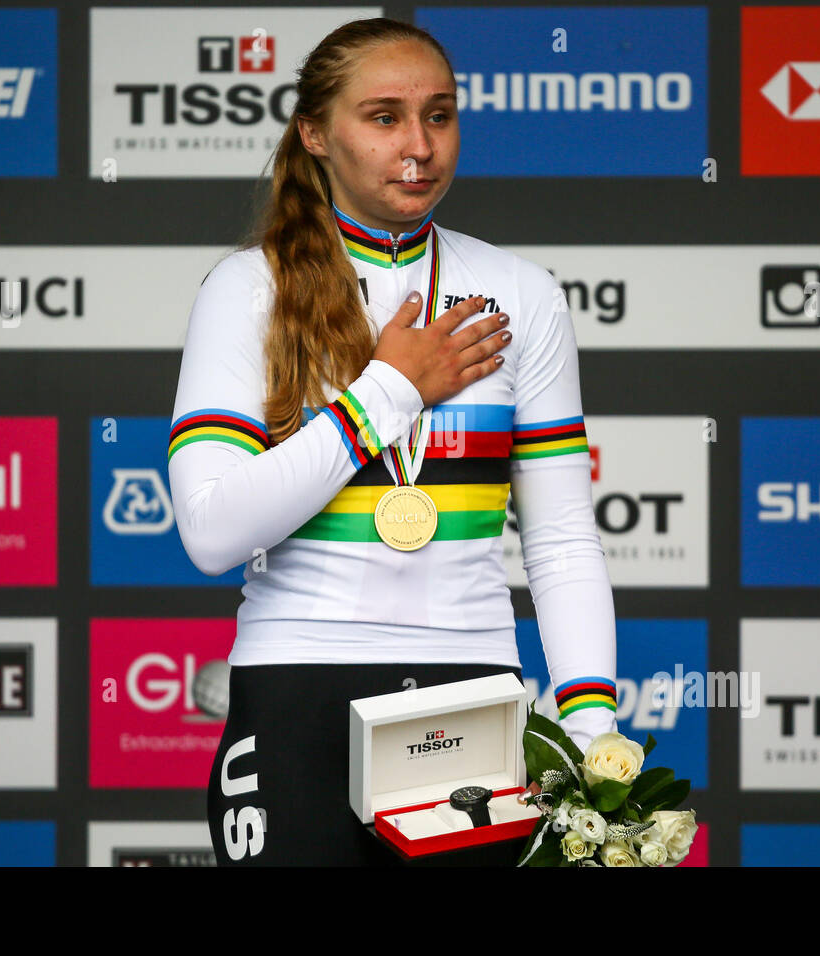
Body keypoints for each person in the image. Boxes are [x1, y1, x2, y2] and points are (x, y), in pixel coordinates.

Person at [168, 17, 616, 866]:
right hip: (298, 689)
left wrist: (592, 730)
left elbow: (559, 540)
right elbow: (212, 531)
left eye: (439, 116)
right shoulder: (247, 289)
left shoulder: (522, 292)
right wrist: (392, 391)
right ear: (315, 133)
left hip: (475, 692)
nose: (419, 144)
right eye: (383, 117)